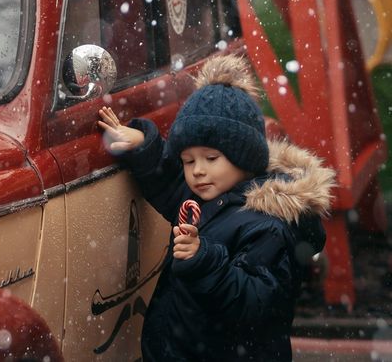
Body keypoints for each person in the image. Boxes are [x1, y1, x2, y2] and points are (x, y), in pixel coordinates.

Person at [98, 52, 335, 362]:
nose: (197, 171)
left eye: (211, 159)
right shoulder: (207, 196)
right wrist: (142, 144)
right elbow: (167, 180)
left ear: (245, 158)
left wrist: (204, 260)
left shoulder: (268, 226)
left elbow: (256, 303)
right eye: (188, 160)